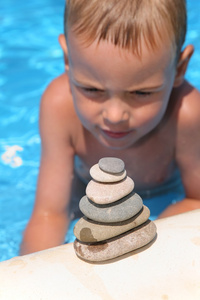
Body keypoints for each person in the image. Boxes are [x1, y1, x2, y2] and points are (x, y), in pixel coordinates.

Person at [20, 0, 200, 255]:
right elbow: (49, 214)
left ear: (179, 69)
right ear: (68, 59)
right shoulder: (59, 107)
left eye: (142, 92)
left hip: (163, 197)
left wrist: (147, 233)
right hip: (86, 195)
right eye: (92, 89)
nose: (115, 116)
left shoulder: (186, 115)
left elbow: (197, 199)